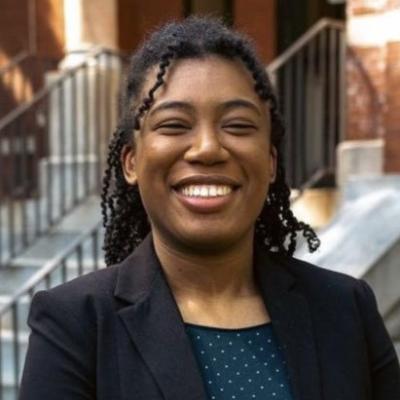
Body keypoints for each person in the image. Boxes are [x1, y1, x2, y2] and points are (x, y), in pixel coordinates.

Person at [19, 17, 400, 400]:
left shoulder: (346, 308)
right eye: (174, 125)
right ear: (131, 163)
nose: (207, 149)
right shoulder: (75, 323)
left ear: (270, 162)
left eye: (237, 125)